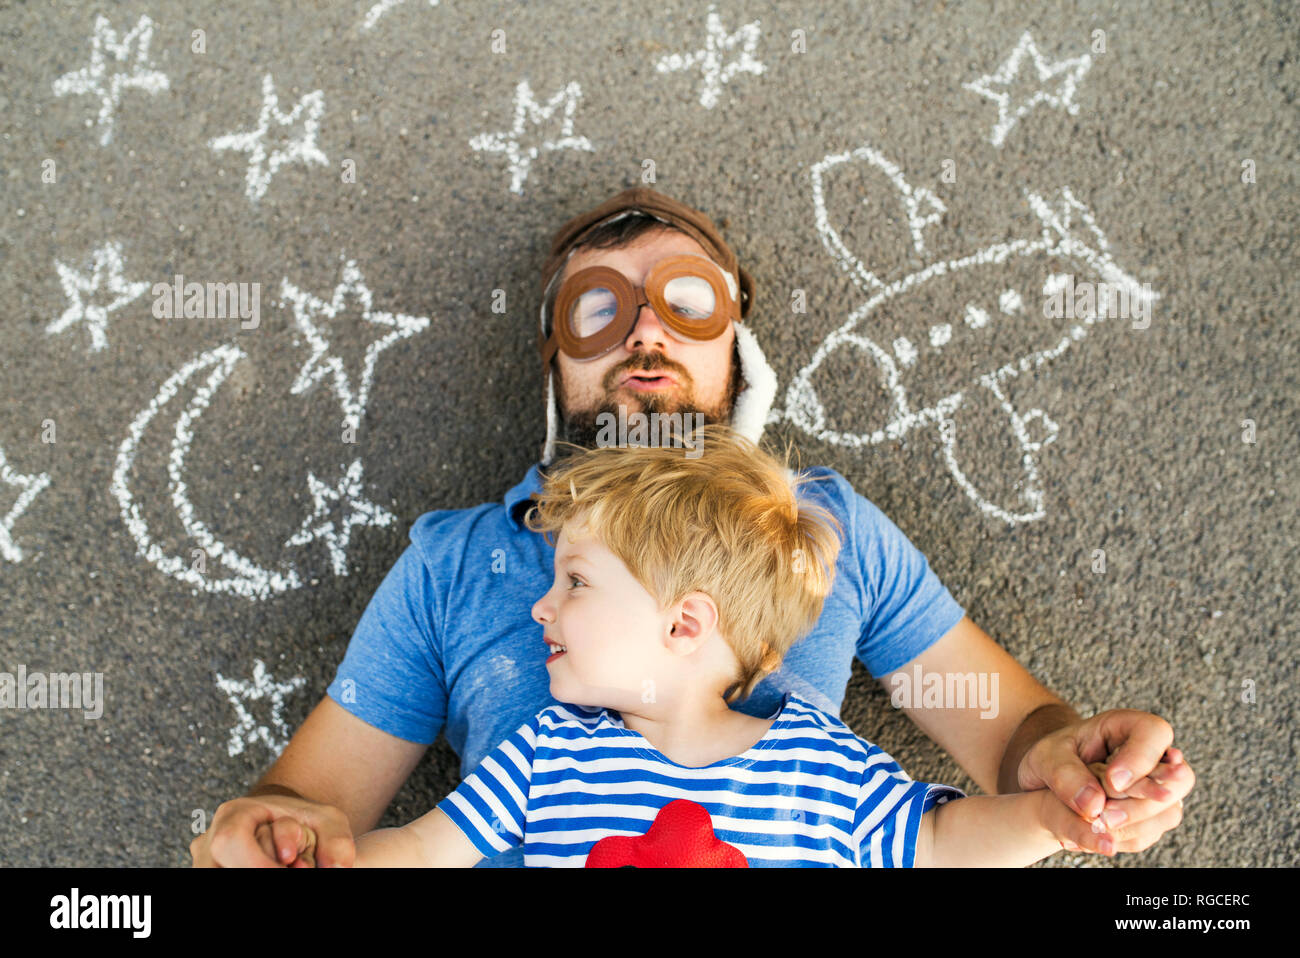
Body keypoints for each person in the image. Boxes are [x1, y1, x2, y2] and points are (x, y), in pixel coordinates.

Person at [192, 187, 1192, 869]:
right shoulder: (455, 562)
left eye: (686, 301)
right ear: (554, 360)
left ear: (737, 349)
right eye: (598, 307)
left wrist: (1077, 768)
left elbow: (1008, 742)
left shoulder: (826, 529)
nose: (644, 329)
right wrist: (266, 831)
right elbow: (317, 811)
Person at [332, 423, 1109, 867]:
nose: (541, 606)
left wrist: (1048, 821)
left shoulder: (821, 764)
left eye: (575, 581)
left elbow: (937, 844)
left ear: (683, 625)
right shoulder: (546, 753)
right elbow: (422, 850)